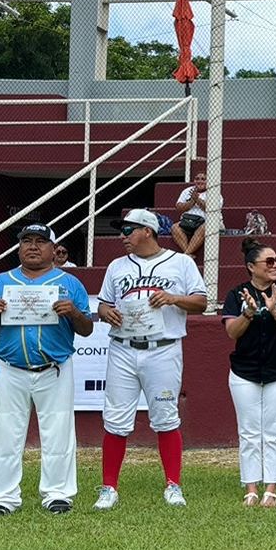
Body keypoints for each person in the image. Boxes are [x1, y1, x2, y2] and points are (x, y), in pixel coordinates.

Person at [92, 209, 208, 510]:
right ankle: (108, 488)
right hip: (123, 346)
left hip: (163, 347)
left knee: (166, 416)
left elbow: (201, 302)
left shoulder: (181, 262)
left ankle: (173, 484)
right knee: (115, 419)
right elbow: (103, 304)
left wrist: (172, 298)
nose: (123, 236)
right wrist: (107, 313)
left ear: (147, 230)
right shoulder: (117, 266)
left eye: (128, 230)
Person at [0, 223, 95, 516]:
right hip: (12, 367)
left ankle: (58, 494)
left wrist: (74, 312)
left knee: (58, 432)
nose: (32, 246)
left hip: (54, 367)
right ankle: (2, 498)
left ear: (53, 250)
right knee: (6, 433)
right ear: (19, 247)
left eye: (40, 242)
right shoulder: (2, 280)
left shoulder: (69, 283)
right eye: (26, 241)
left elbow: (86, 329)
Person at [220, 238, 276, 508]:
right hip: (244, 372)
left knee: (274, 431)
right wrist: (249, 314)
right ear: (250, 267)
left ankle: (272, 488)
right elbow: (232, 332)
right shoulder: (236, 294)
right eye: (269, 262)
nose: (275, 265)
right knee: (249, 431)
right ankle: (251, 488)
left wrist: (273, 312)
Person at [171, 163, 221, 258]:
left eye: (203, 179)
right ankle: (188, 254)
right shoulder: (187, 191)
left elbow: (212, 209)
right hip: (188, 220)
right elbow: (179, 207)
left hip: (206, 222)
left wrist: (197, 200)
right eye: (197, 179)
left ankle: (185, 255)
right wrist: (192, 201)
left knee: (206, 227)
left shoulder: (214, 192)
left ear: (208, 181)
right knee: (174, 227)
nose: (200, 181)